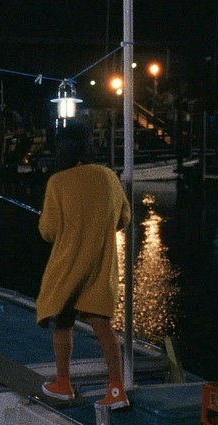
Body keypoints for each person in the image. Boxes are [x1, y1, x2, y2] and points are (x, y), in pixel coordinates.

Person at [36, 120, 131, 409]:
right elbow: (123, 219)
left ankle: (63, 383)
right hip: (101, 262)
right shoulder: (108, 176)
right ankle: (117, 388)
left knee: (62, 320)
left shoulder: (58, 182)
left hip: (68, 263)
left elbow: (49, 230)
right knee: (102, 323)